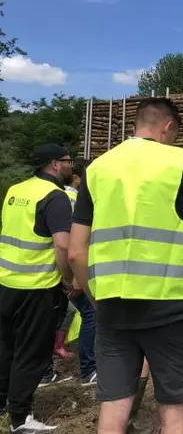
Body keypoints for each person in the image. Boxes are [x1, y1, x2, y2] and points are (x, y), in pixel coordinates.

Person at [67, 97, 183, 434]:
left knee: (115, 404)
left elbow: (76, 253)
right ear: (168, 127)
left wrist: (96, 299)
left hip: (112, 307)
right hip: (170, 307)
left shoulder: (97, 168)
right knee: (173, 409)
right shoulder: (178, 162)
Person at [0, 143, 76, 432]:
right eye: (68, 161)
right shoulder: (54, 197)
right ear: (55, 164)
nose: (71, 166)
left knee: (6, 347)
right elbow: (62, 244)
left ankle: (2, 403)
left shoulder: (15, 190)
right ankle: (20, 418)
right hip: (37, 288)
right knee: (31, 353)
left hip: (6, 282)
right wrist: (67, 278)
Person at [43, 161, 98, 387]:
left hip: (46, 273)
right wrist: (74, 275)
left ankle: (44, 371)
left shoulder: (52, 195)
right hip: (68, 270)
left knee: (51, 320)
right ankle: (89, 368)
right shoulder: (73, 199)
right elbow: (71, 244)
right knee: (91, 314)